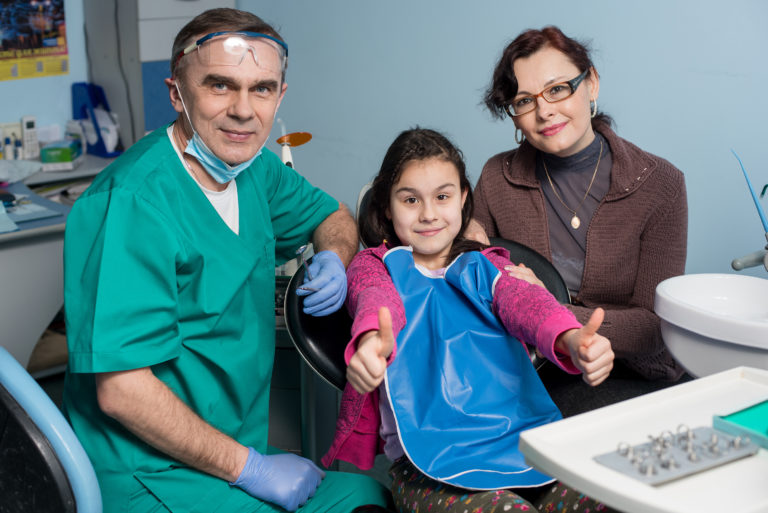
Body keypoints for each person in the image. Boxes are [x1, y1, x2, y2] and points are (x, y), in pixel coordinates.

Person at [62, 8, 392, 512]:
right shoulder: (131, 203)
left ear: (279, 96)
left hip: (226, 447)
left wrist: (335, 254)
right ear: (177, 93)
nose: (243, 110)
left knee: (370, 494)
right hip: (149, 472)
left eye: (261, 89)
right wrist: (251, 468)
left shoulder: (255, 170)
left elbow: (332, 214)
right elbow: (122, 392)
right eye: (220, 85)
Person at [322, 128, 616, 512]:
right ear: (387, 207)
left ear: (462, 199)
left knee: (612, 496)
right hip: (428, 465)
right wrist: (373, 343)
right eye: (410, 200)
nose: (428, 214)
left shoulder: (487, 265)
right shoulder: (374, 267)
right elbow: (374, 303)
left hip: (522, 444)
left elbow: (525, 302)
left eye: (442, 197)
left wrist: (572, 339)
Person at [474, 26, 689, 416]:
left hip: (634, 376)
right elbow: (475, 285)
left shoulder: (661, 185)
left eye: (558, 89)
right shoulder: (495, 178)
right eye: (524, 100)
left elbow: (654, 328)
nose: (544, 111)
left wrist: (553, 311)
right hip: (536, 369)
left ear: (591, 83)